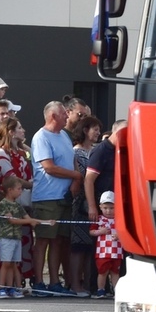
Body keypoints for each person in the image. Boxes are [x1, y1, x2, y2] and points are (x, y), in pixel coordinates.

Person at [30, 101, 83, 297]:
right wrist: (76, 176)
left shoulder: (63, 136)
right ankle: (38, 282)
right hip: (47, 197)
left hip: (64, 196)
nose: (67, 117)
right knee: (43, 240)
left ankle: (54, 281)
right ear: (53, 116)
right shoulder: (41, 137)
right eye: (63, 114)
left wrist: (76, 177)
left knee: (59, 240)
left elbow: (73, 159)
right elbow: (49, 167)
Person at [0, 118, 36, 289]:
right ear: (10, 132)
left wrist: (23, 146)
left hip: (22, 204)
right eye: (19, 128)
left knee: (22, 244)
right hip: (10, 203)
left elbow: (33, 159)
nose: (23, 130)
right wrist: (30, 184)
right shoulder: (0, 153)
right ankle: (2, 284)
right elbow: (10, 178)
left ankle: (17, 283)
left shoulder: (20, 153)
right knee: (5, 245)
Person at [67, 115, 103, 296]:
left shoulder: (97, 150)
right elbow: (81, 176)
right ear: (84, 130)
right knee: (78, 246)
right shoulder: (76, 152)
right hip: (80, 205)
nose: (97, 132)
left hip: (99, 204)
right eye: (94, 129)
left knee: (92, 246)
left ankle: (91, 284)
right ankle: (75, 284)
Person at [0, 176, 43, 298]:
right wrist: (29, 221)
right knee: (6, 263)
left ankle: (10, 288)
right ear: (10, 190)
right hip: (7, 238)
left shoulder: (17, 205)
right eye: (18, 189)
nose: (20, 191)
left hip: (16, 238)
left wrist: (45, 221)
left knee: (13, 264)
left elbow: (28, 218)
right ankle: (1, 288)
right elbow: (12, 221)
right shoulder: (3, 204)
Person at [85, 120, 126, 225]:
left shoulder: (121, 150)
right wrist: (92, 206)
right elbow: (88, 180)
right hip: (103, 205)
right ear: (118, 133)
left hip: (116, 204)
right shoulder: (101, 150)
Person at [89, 191, 122, 299]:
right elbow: (91, 232)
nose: (108, 211)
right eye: (105, 208)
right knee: (102, 272)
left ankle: (117, 292)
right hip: (102, 252)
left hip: (116, 252)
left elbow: (125, 233)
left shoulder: (120, 220)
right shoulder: (99, 219)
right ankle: (101, 290)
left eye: (111, 208)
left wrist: (119, 236)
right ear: (100, 207)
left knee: (115, 273)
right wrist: (100, 232)